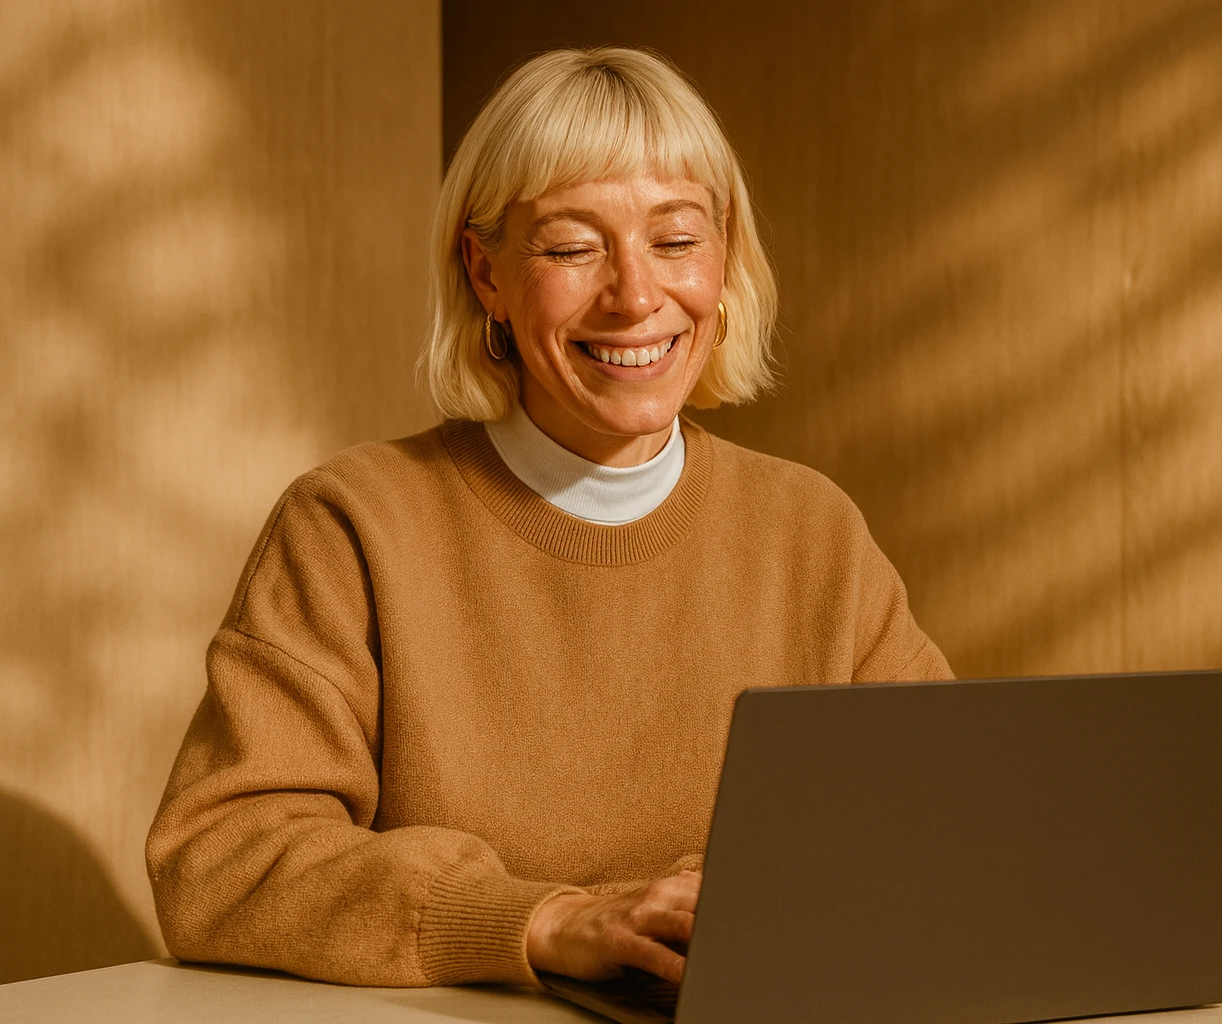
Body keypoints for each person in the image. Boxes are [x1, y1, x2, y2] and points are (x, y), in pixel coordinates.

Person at [146, 46, 950, 992]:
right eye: (573, 247)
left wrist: (724, 906)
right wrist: (542, 920)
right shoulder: (353, 524)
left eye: (677, 240)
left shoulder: (811, 530)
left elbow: (944, 817)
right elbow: (222, 857)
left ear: (725, 259)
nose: (637, 296)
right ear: (484, 271)